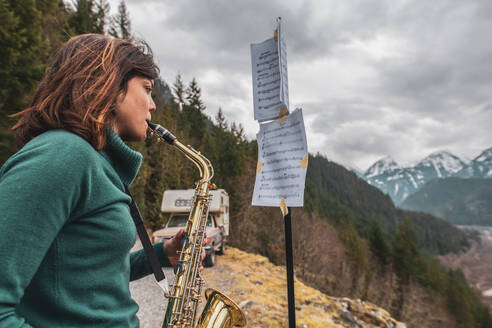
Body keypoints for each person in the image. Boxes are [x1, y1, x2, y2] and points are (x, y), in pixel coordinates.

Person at [0, 34, 188, 327]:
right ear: (110, 86)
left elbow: (86, 274)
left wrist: (162, 254)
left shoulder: (93, 160)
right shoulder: (62, 156)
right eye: (147, 89)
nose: (152, 105)